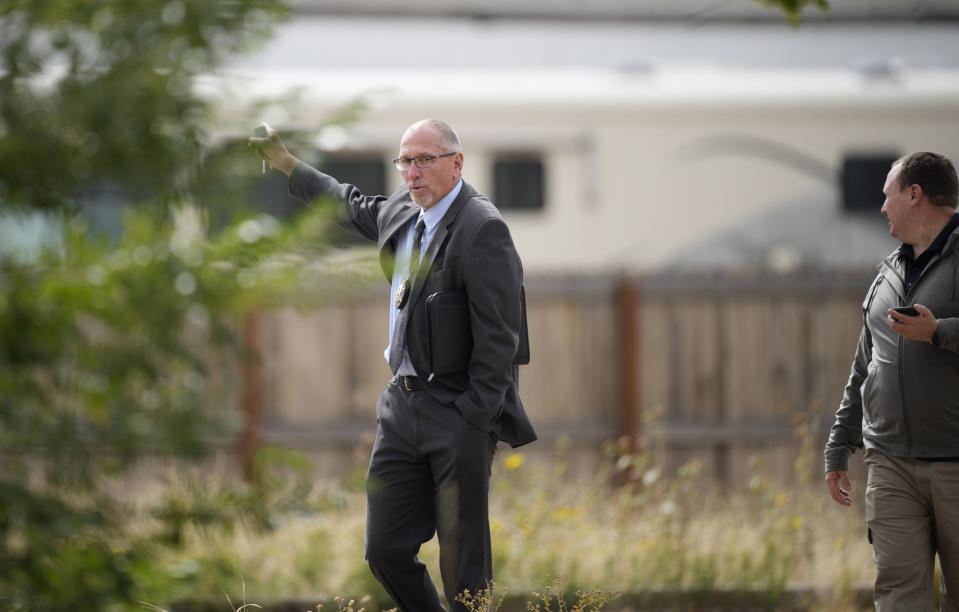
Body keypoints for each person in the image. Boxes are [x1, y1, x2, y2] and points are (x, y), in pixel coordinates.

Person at [250, 119, 536, 611]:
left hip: (457, 410)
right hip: (401, 407)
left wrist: (473, 416)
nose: (413, 172)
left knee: (463, 564)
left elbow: (500, 337)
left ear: (456, 163)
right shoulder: (403, 211)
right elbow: (345, 202)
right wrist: (285, 164)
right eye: (405, 161)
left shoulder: (482, 228)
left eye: (425, 159)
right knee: (384, 549)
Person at [824, 151, 959, 611]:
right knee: (900, 596)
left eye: (889, 196)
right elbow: (866, 363)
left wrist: (939, 332)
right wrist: (838, 442)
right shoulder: (888, 272)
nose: (882, 208)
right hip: (890, 463)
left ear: (915, 195)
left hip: (956, 462)